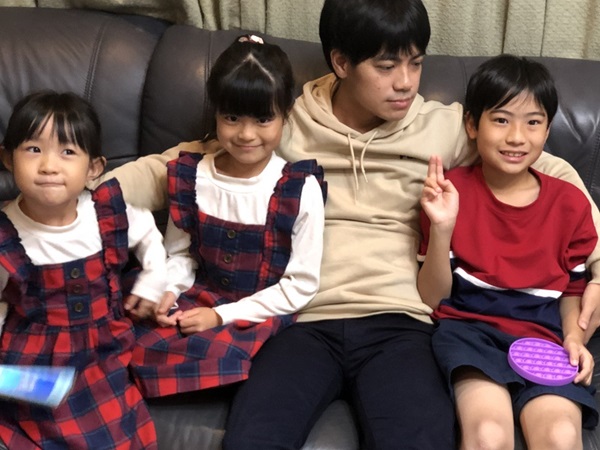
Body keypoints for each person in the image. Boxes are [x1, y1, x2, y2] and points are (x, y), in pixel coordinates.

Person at [90, 0, 600, 448]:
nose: (405, 82)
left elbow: (547, 175)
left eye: (416, 63)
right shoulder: (284, 121)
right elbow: (174, 167)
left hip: (402, 323)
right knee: (253, 439)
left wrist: (597, 270)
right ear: (341, 62)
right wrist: (73, 203)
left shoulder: (445, 126)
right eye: (386, 66)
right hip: (300, 321)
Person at [128, 35, 327, 398]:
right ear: (216, 113)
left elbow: (300, 286)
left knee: (223, 361)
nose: (246, 134)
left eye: (263, 119)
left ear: (285, 116)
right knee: (120, 333)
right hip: (197, 298)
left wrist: (221, 316)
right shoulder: (191, 177)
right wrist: (169, 290)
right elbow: (181, 255)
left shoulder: (299, 189)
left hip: (255, 313)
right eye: (232, 118)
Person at [418, 54, 598, 450]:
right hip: (469, 335)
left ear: (547, 129)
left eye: (533, 122)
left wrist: (574, 337)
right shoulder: (450, 193)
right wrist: (442, 230)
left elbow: (572, 289)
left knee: (561, 436)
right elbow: (433, 298)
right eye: (501, 120)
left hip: (543, 340)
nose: (517, 137)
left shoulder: (570, 203)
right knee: (488, 434)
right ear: (472, 125)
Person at [0, 91, 167, 449]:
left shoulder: (105, 212)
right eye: (33, 149)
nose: (49, 166)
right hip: (37, 353)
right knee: (51, 418)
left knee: (117, 421)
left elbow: (149, 235)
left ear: (94, 167)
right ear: (8, 158)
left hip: (104, 341)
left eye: (68, 152)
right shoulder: (5, 234)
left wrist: (154, 278)